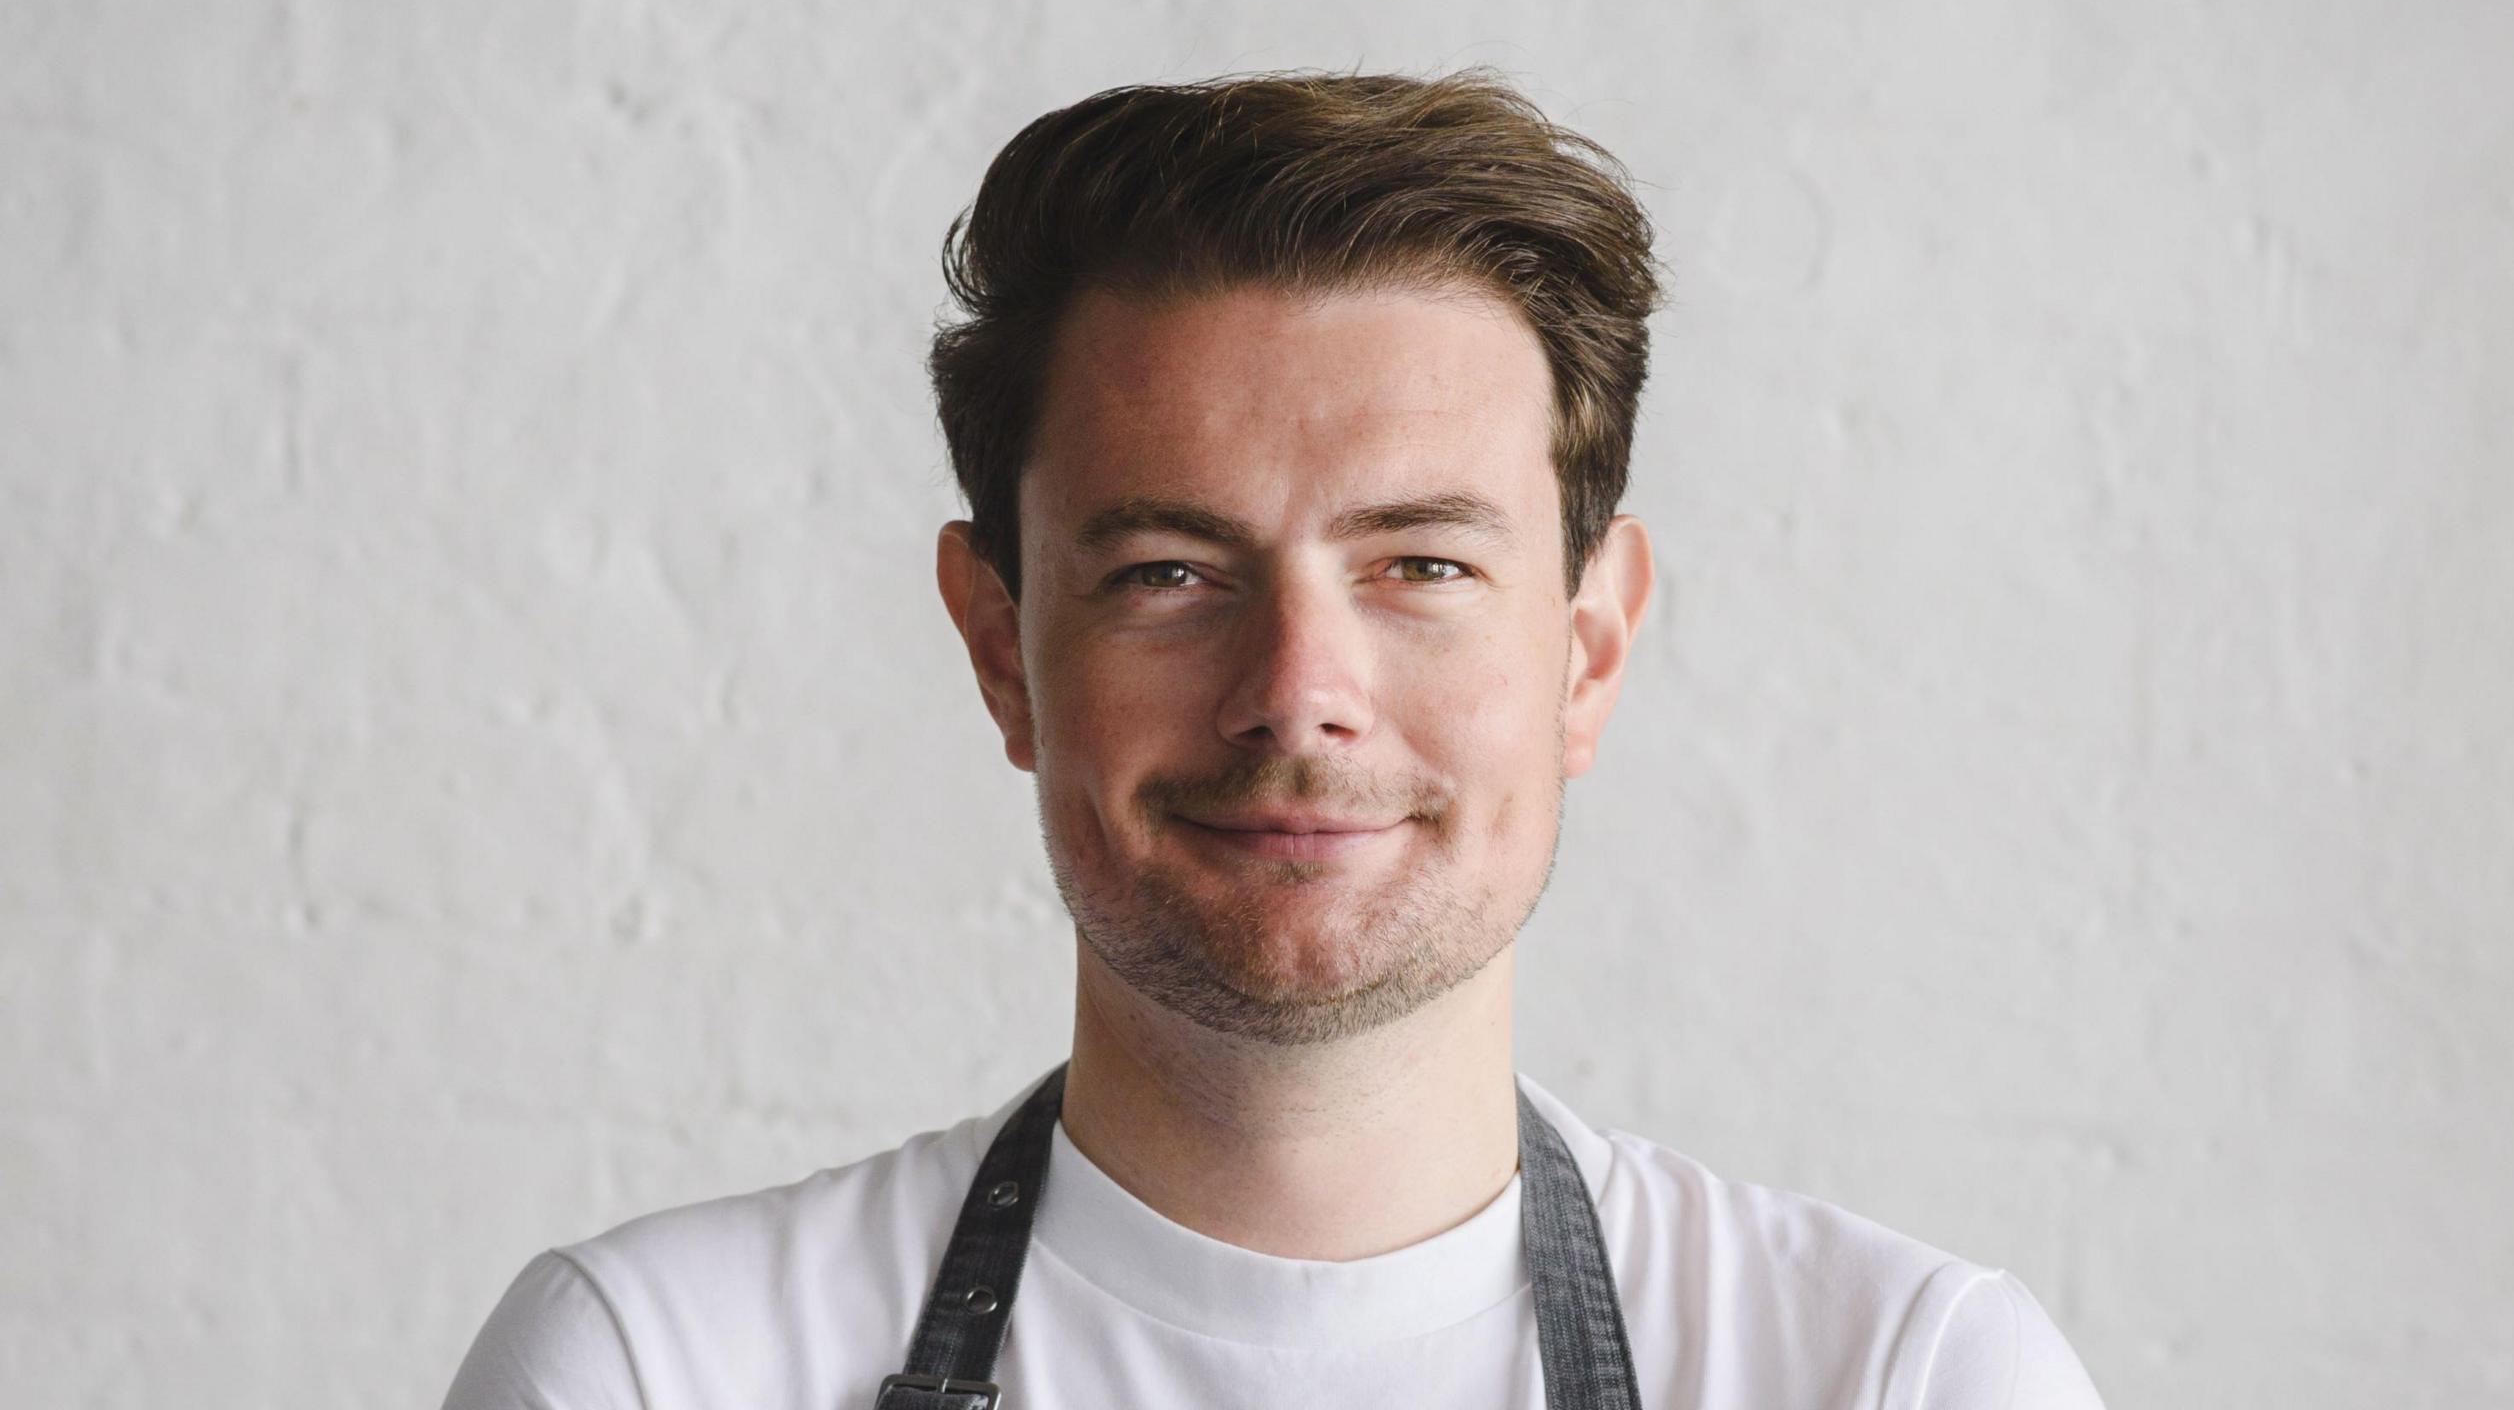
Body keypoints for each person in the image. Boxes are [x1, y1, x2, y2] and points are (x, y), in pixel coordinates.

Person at [440, 69, 2108, 1410]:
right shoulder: (656, 1368)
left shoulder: (1904, 1375)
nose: (1299, 689)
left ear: (1587, 650)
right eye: (1171, 571)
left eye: (1423, 567)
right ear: (1002, 646)